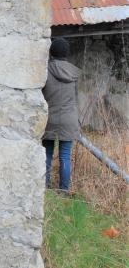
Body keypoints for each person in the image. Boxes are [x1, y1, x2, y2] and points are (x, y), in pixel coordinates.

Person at [42, 37, 81, 191]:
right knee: (65, 156)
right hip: (69, 118)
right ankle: (64, 190)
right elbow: (76, 99)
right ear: (67, 53)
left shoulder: (44, 70)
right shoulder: (73, 72)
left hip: (49, 118)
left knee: (46, 154)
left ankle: (44, 187)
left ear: (51, 52)